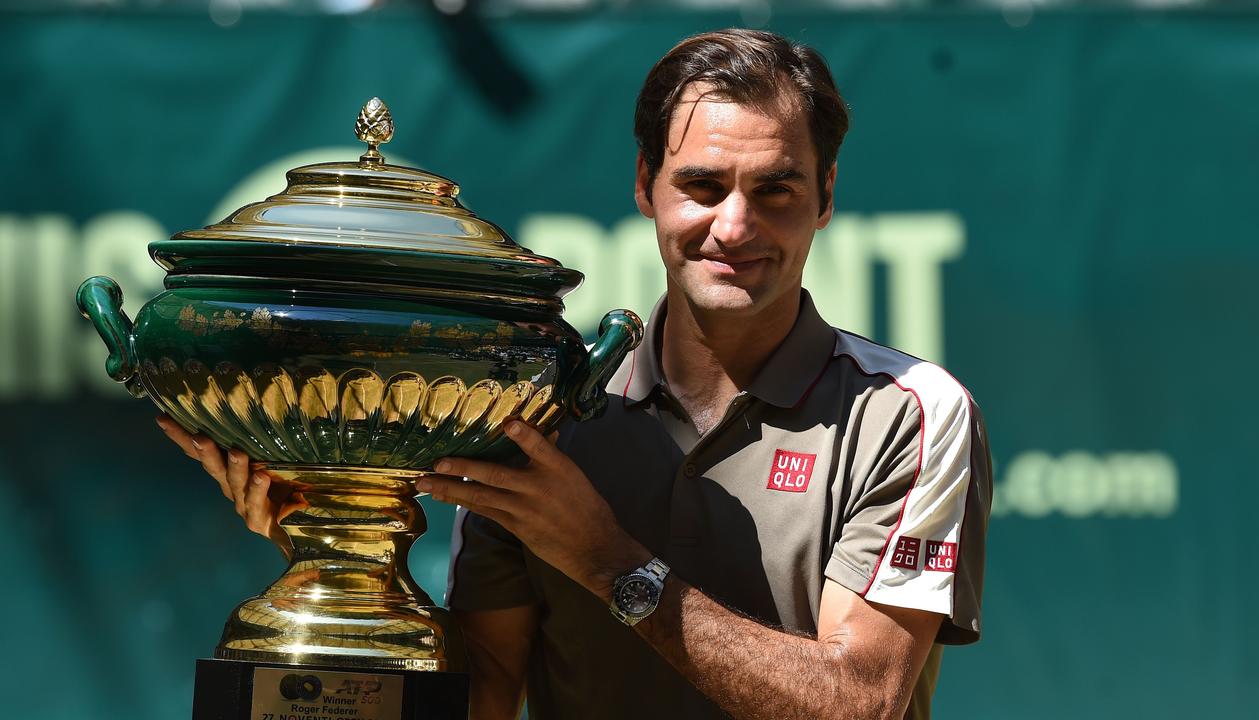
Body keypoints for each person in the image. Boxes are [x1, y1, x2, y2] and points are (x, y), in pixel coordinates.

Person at [158, 29, 991, 720]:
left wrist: (607, 563)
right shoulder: (541, 410)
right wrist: (338, 552)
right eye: (701, 186)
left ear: (827, 195)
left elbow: (866, 702)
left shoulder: (911, 413)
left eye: (776, 190)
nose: (735, 226)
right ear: (645, 186)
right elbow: (483, 692)